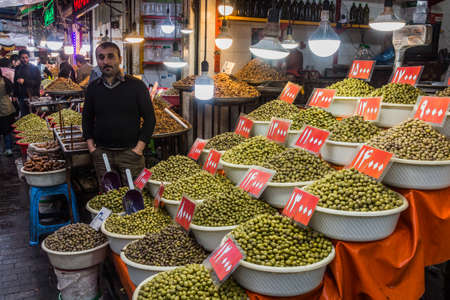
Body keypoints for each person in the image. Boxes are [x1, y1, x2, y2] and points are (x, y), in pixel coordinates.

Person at [82, 42, 156, 189]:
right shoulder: (93, 88)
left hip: (130, 154)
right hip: (102, 154)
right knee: (109, 199)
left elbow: (150, 119)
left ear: (120, 59)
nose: (106, 61)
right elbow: (87, 119)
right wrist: (92, 148)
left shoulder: (136, 86)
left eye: (111, 56)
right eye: (101, 57)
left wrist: (138, 149)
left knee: (136, 195)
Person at [13, 49, 41, 116]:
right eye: (23, 58)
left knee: (34, 116)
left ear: (28, 58)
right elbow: (15, 82)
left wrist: (24, 81)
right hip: (21, 98)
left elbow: (37, 82)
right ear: (20, 58)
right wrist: (15, 95)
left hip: (32, 97)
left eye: (26, 57)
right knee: (24, 116)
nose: (25, 59)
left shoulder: (34, 68)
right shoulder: (17, 68)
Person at [0, 67, 16, 156]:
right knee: (7, 130)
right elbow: (11, 91)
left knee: (5, 129)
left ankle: (8, 148)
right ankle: (8, 148)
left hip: (4, 108)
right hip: (7, 106)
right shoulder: (5, 79)